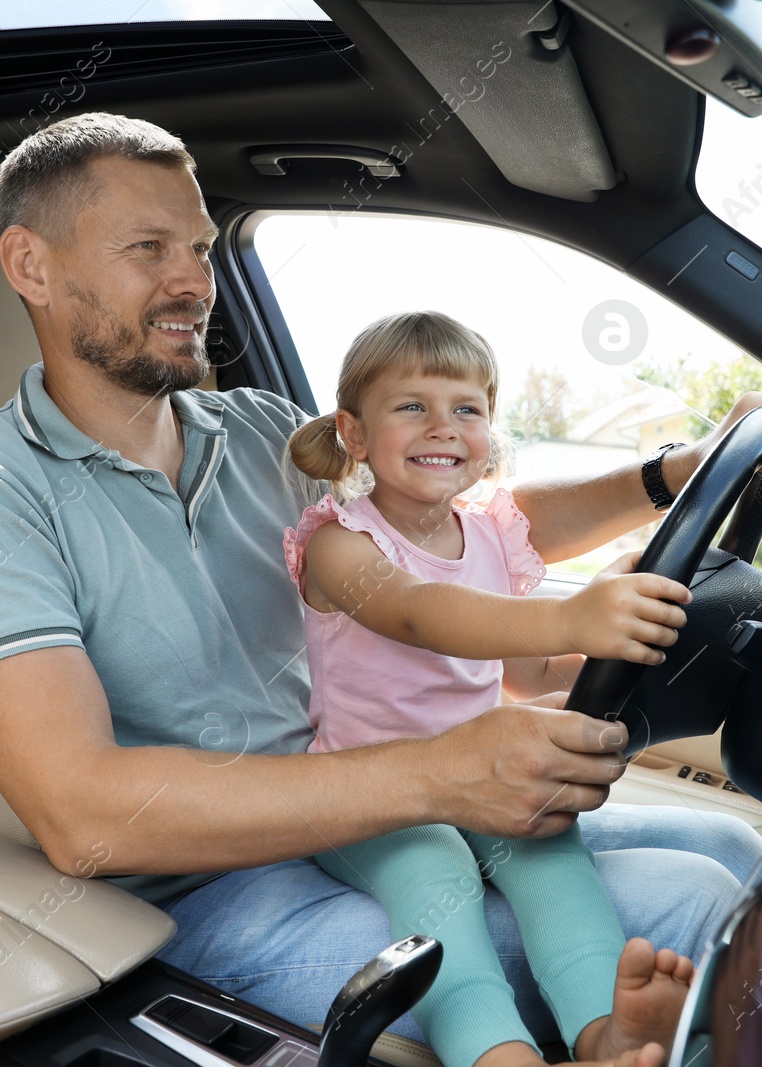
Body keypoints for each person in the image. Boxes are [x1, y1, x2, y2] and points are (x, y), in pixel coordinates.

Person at [0, 112, 762, 1062]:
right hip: (202, 897)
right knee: (703, 905)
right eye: (148, 249)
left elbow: (446, 519)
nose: (192, 282)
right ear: (31, 266)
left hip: (368, 808)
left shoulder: (257, 429)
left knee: (742, 855)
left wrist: (669, 474)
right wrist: (444, 770)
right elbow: (83, 812)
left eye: (201, 248)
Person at [284, 309, 708, 1067]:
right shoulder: (338, 543)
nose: (442, 427)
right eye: (412, 406)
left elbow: (525, 673)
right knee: (435, 871)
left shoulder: (488, 536)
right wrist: (573, 615)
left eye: (467, 409)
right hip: (370, 795)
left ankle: (606, 1032)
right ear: (354, 432)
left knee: (550, 850)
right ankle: (495, 1052)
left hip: (481, 779)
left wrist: (624, 649)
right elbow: (421, 615)